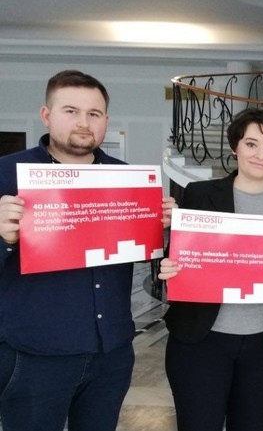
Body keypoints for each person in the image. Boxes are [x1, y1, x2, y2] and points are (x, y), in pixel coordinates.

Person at [0, 69, 176, 431]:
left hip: (111, 351)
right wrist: (3, 237)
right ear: (46, 115)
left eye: (94, 114)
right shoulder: (6, 173)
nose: (84, 123)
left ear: (106, 121)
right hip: (35, 355)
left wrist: (167, 230)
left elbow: (147, 256)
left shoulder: (127, 179)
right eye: (71, 111)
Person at [159, 108, 263, 431]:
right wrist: (170, 265)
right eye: (251, 144)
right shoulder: (199, 194)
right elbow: (180, 257)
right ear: (235, 147)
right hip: (202, 340)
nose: (261, 155)